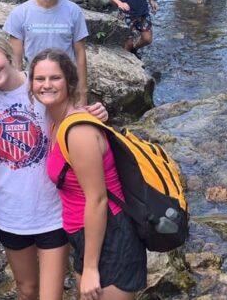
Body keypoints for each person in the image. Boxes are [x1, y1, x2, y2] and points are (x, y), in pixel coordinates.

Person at [0, 30, 109, 300]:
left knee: (50, 295)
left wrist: (97, 113)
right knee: (27, 289)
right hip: (10, 209)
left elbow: (72, 115)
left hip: (51, 209)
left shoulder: (41, 84)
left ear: (7, 53)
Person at [35, 49, 147, 300]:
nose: (46, 85)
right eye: (39, 79)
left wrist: (90, 268)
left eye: (55, 78)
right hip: (83, 234)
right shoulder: (54, 122)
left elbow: (97, 199)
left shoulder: (79, 131)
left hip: (110, 234)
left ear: (70, 82)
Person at [4, 0, 89, 105]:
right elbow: (15, 59)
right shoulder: (19, 14)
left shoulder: (73, 11)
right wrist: (18, 93)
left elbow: (80, 54)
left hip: (67, 85)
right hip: (35, 86)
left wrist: (82, 93)